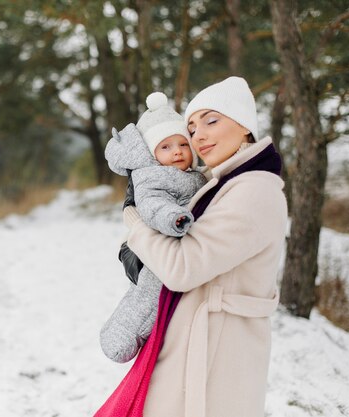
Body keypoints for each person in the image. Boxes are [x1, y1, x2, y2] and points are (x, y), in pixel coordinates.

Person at [96, 76, 287, 417]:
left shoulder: (253, 190)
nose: (198, 135)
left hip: (219, 349)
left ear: (244, 126)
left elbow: (183, 268)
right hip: (196, 337)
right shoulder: (220, 182)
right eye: (192, 127)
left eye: (211, 120)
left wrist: (136, 225)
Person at [101, 92, 206, 363]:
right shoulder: (151, 177)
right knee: (148, 295)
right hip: (160, 241)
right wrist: (174, 218)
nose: (177, 152)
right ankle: (122, 335)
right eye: (166, 147)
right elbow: (153, 205)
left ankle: (148, 336)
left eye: (183, 144)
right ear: (153, 153)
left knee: (158, 300)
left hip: (174, 247)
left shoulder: (195, 175)